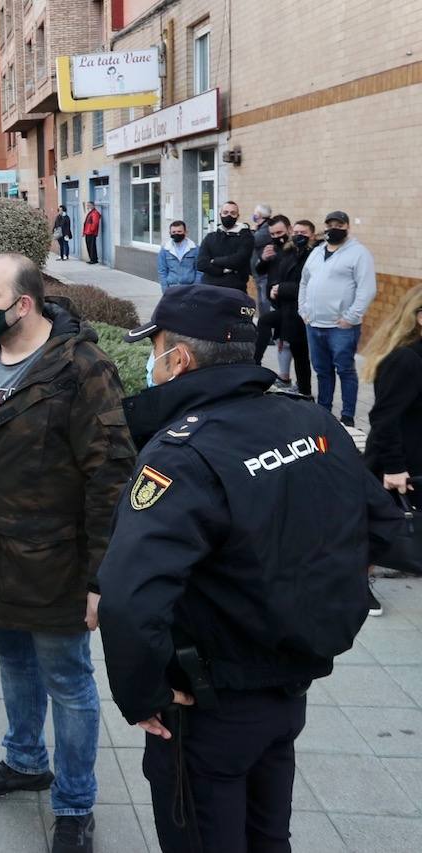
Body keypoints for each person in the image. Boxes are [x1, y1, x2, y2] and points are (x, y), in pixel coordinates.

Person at [97, 284, 403, 852]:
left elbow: (128, 596)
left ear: (179, 359)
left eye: (156, 347)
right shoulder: (308, 420)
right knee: (267, 837)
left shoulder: (183, 453)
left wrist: (144, 696)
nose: (151, 361)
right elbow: (387, 530)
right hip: (287, 693)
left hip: (209, 706)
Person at [0, 254, 133, 853]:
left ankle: (74, 803)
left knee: (67, 679)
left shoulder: (81, 369)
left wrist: (100, 577)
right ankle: (25, 759)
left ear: (24, 304)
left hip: (56, 565)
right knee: (14, 663)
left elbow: (110, 476)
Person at [361, 283, 422, 617]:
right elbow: (384, 418)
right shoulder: (406, 359)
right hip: (396, 459)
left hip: (412, 456)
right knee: (377, 525)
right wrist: (395, 467)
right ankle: (359, 583)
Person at [299, 210, 377, 427]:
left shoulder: (359, 253)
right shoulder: (316, 252)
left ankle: (348, 416)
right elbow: (304, 282)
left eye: (339, 225)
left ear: (347, 227)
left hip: (341, 327)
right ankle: (324, 412)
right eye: (330, 224)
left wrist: (351, 317)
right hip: (313, 324)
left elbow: (367, 288)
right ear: (324, 226)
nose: (334, 228)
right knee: (322, 371)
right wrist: (303, 310)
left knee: (345, 370)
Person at [255, 217, 314, 396]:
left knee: (298, 349)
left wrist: (281, 288)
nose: (276, 237)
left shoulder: (310, 254)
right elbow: (262, 271)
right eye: (272, 234)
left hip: (298, 308)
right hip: (283, 305)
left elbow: (305, 283)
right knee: (289, 344)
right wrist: (263, 260)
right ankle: (290, 380)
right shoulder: (285, 251)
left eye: (280, 233)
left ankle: (302, 388)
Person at [196, 201, 253, 291]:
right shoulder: (210, 237)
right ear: (220, 215)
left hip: (235, 289)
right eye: (225, 212)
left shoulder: (246, 237)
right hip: (209, 289)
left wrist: (214, 261)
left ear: (238, 216)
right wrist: (223, 270)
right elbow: (201, 264)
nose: (228, 216)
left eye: (233, 213)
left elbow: (239, 260)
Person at [156, 220, 201, 292]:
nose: (176, 234)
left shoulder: (195, 249)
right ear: (170, 233)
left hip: (189, 288)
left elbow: (199, 271)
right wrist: (165, 290)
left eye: (179, 231)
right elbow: (162, 272)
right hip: (172, 288)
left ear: (186, 232)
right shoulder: (165, 250)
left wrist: (195, 288)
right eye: (173, 232)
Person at [250, 203, 275, 313]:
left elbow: (252, 241)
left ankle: (266, 325)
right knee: (260, 302)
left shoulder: (265, 229)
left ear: (259, 215)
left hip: (264, 273)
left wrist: (251, 231)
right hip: (258, 272)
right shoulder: (261, 228)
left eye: (255, 213)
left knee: (264, 302)